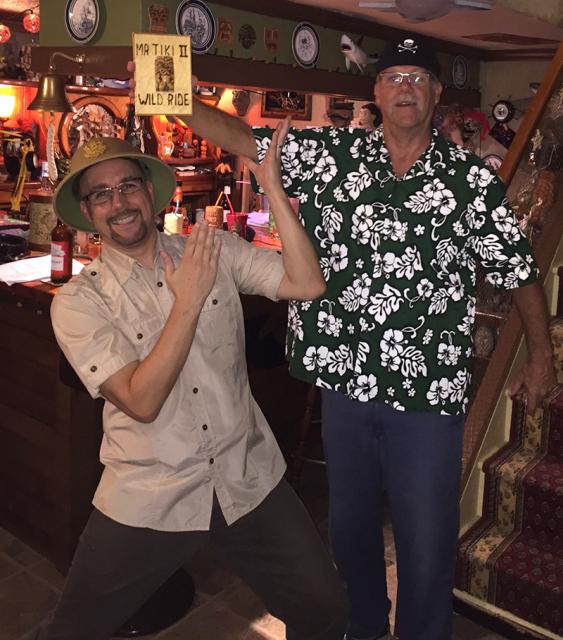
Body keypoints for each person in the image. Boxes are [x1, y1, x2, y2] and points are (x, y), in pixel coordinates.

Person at [137, 35, 555, 640]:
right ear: (376, 92)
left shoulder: (469, 181)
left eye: (417, 77)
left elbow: (519, 271)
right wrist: (166, 89)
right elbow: (242, 137)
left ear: (436, 93)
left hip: (426, 391)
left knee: (425, 537)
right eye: (394, 77)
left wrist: (541, 357)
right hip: (346, 379)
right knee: (352, 530)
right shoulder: (332, 155)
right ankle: (364, 625)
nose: (405, 87)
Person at [37, 130, 347, 640]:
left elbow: (307, 283)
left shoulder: (211, 249)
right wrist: (188, 301)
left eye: (128, 185)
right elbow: (140, 400)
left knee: (325, 609)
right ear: (87, 212)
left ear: (150, 192)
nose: (119, 202)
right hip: (149, 490)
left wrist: (273, 189)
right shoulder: (78, 301)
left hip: (246, 474)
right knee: (73, 631)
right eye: (101, 194)